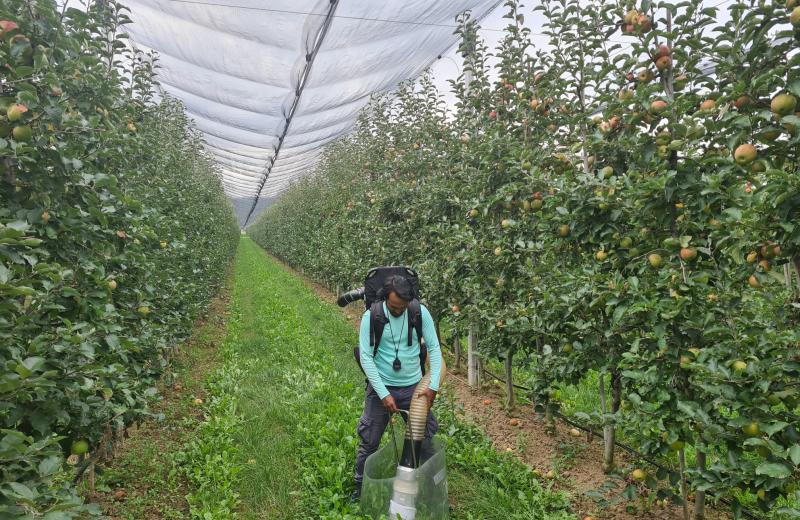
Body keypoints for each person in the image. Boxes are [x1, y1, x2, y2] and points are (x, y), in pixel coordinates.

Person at [351, 275, 442, 502]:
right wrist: (383, 393)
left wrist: (432, 386)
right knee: (370, 440)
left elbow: (435, 349)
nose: (398, 311)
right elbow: (366, 358)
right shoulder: (371, 317)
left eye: (402, 307)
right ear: (385, 298)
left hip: (414, 388)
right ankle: (360, 488)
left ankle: (435, 490)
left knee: (426, 441)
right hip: (381, 385)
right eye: (393, 307)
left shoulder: (419, 312)